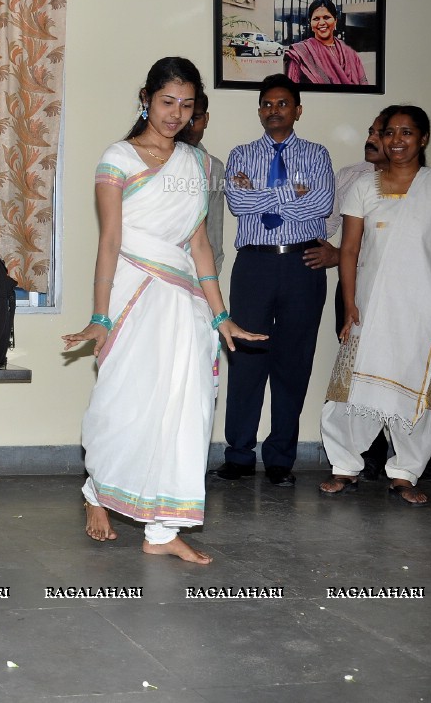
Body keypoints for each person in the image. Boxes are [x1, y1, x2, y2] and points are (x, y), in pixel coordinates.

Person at [63, 57, 264, 565]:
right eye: (167, 102)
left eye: (187, 105)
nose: (175, 114)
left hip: (184, 304)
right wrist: (100, 316)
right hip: (133, 293)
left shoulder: (196, 165)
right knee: (124, 403)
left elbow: (198, 243)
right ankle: (98, 492)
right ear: (146, 99)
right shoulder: (118, 158)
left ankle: (162, 529)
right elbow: (110, 239)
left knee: (184, 409)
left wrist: (221, 316)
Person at [318, 106, 431, 506]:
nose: (396, 140)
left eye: (406, 132)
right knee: (352, 388)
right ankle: (344, 466)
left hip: (426, 308)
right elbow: (351, 250)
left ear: (423, 138)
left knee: (420, 390)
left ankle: (405, 472)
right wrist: (350, 304)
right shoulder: (364, 187)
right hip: (372, 306)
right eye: (389, 132)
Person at [215, 74, 334, 486]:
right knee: (246, 359)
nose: (273, 110)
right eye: (266, 104)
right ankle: (239, 454)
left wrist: (264, 193)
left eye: (282, 104)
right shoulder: (240, 153)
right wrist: (292, 195)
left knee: (294, 361)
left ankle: (281, 457)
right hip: (254, 267)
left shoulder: (317, 154)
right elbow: (236, 200)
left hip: (303, 265)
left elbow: (321, 203)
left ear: (297, 109)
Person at [284, 0, 368, 86]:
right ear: (310, 23)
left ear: (335, 21)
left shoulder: (351, 54)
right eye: (316, 19)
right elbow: (292, 92)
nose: (321, 23)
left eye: (326, 17)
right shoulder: (300, 54)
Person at [190, 92, 225, 274]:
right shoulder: (153, 163)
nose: (188, 126)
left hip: (199, 277)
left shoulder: (214, 169)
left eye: (195, 118)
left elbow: (214, 234)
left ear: (206, 119)